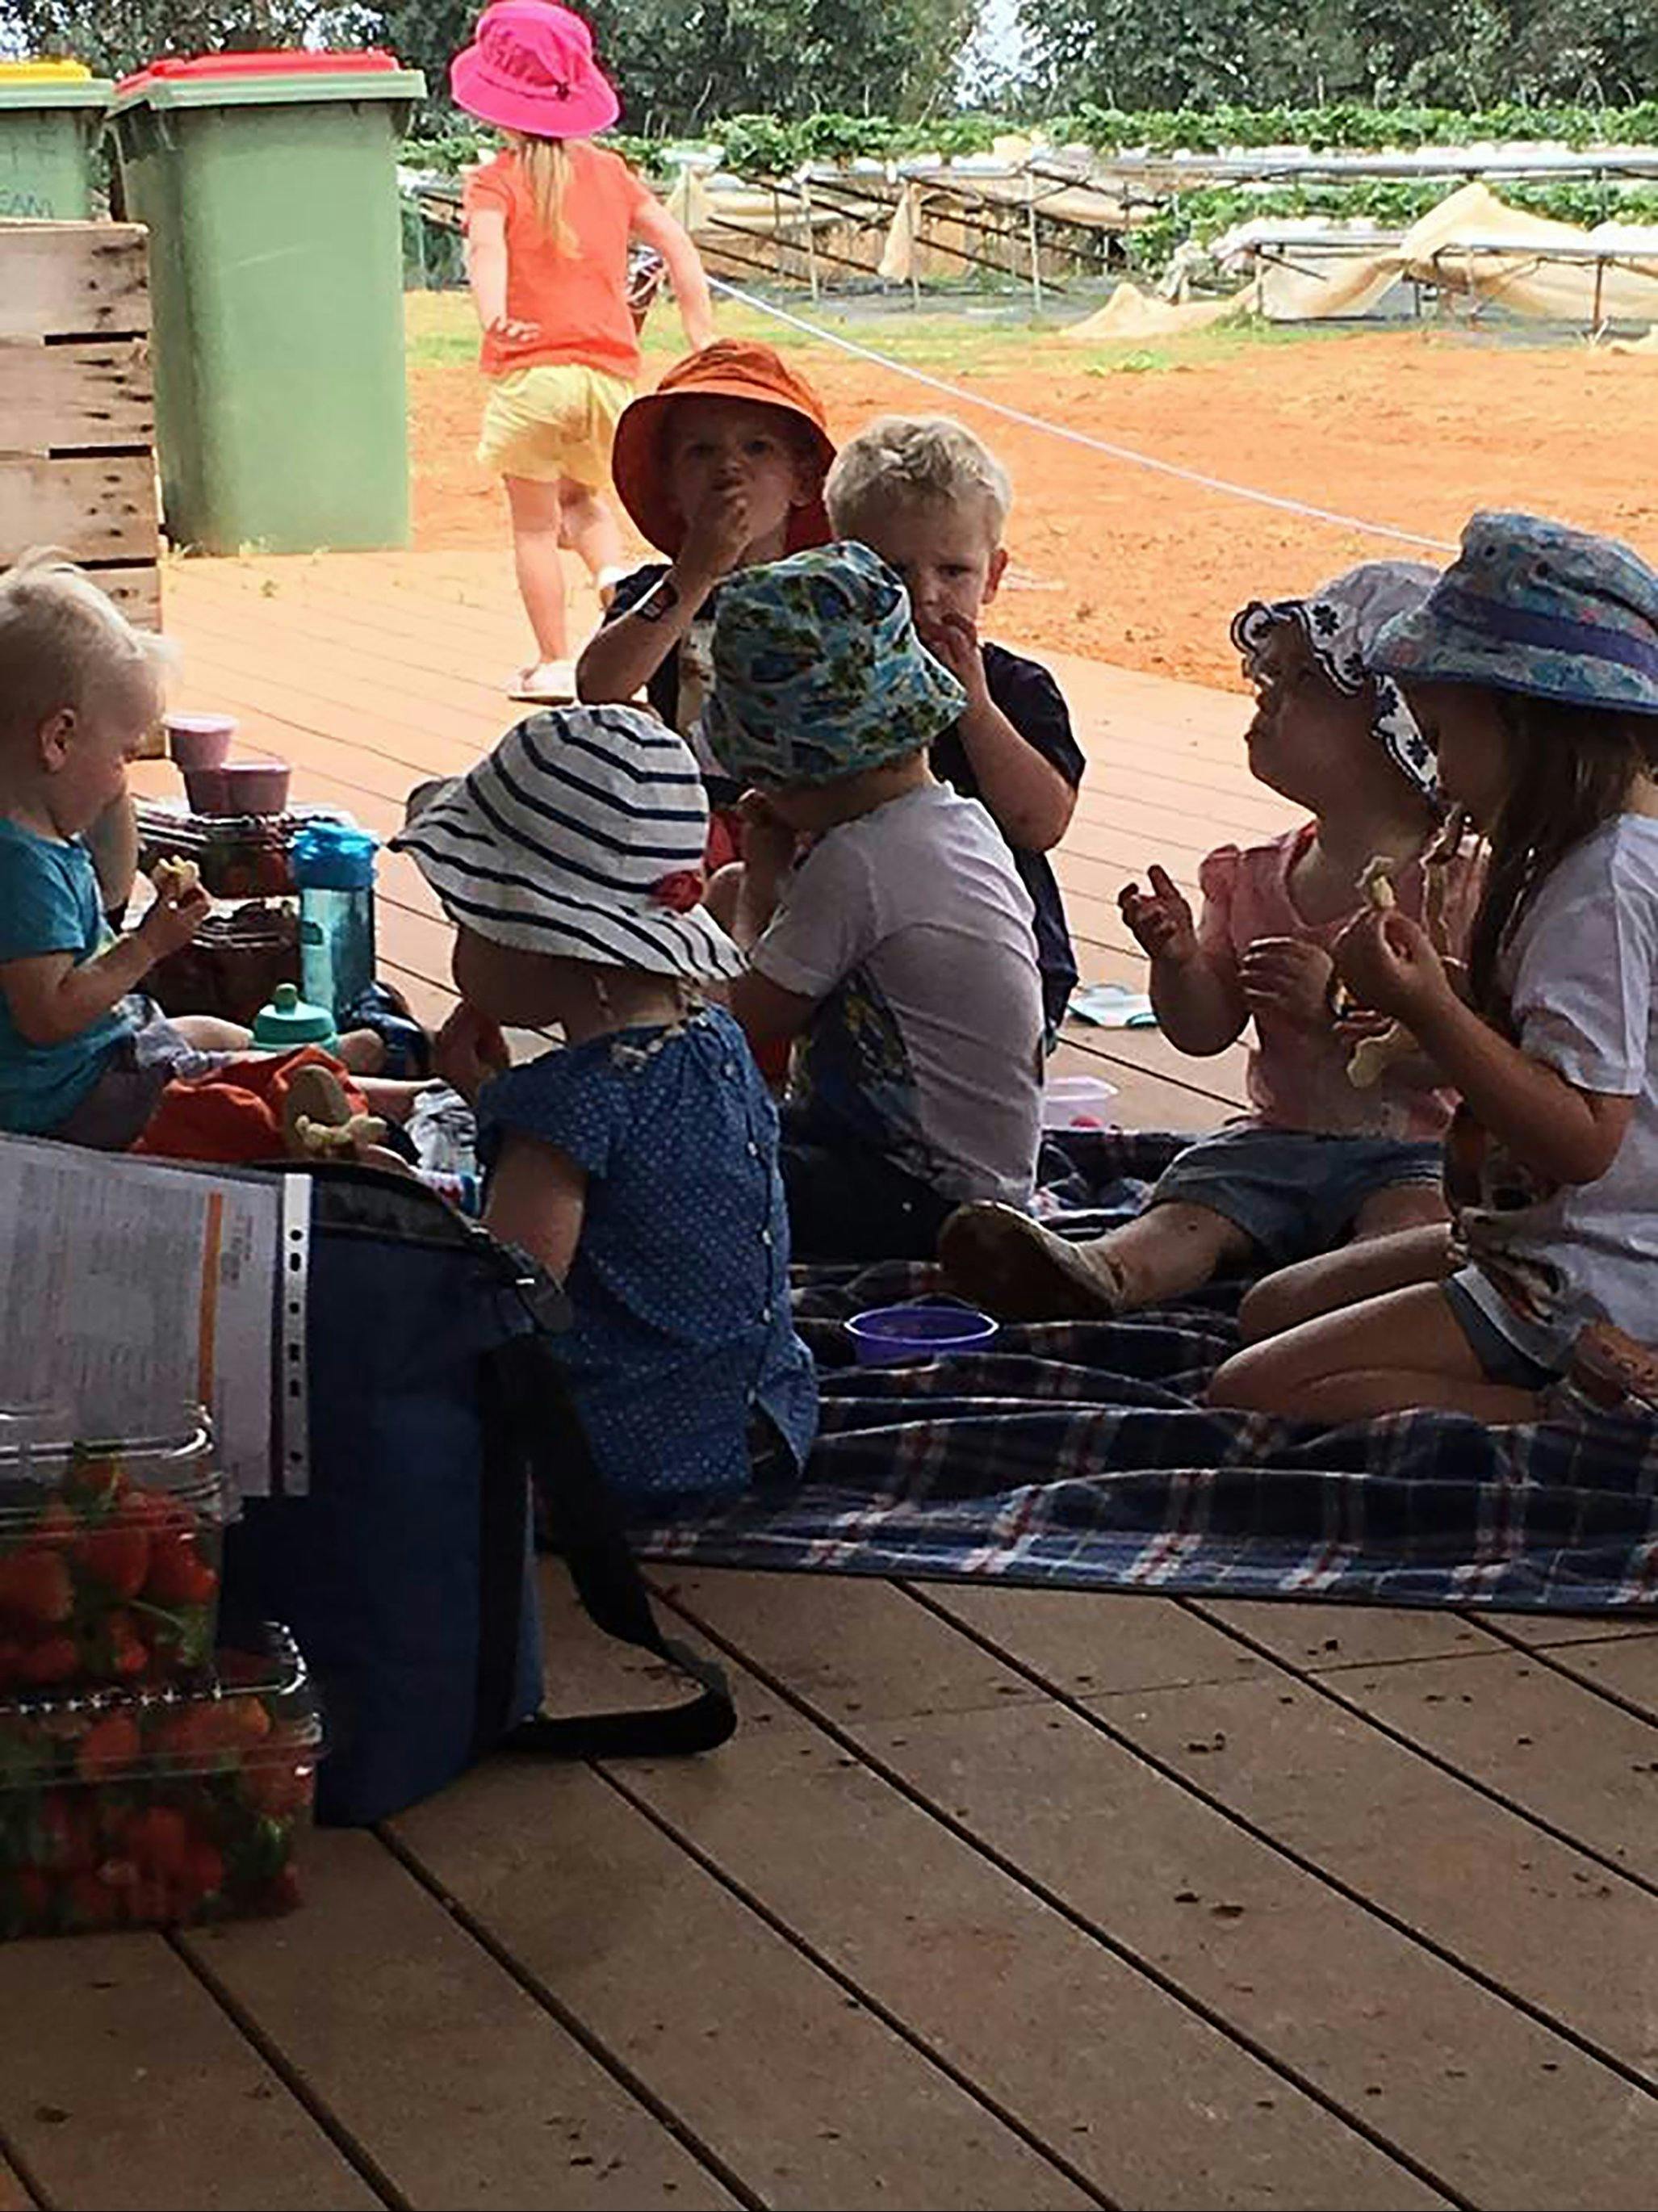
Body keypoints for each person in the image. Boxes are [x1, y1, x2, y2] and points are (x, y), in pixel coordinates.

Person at [938, 559, 1480, 1319]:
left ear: (1398, 730)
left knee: (1412, 1223)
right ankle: (1100, 1273)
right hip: (1276, 1143)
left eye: (1300, 684)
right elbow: (1203, 1031)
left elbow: (1469, 1055)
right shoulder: (1252, 876)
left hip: (1419, 1156)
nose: (1266, 695)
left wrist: (1338, 1003)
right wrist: (1181, 961)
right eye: (1270, 676)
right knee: (1193, 1201)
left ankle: (1345, 1301)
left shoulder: (1456, 889)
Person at [1209, 513, 1658, 1423]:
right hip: (1537, 1235)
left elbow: (1579, 1139)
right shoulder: (1589, 860)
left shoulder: (1600, 886)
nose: (1437, 772)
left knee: (1252, 1389)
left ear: (1524, 721)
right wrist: (1453, 1001)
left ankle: (1587, 1410)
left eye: (1442, 735)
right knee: (1268, 1308)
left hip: (1594, 1273)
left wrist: (1435, 1015)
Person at [391, 704, 818, 1511]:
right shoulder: (714, 1040)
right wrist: (486, 1098)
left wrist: (401, 1229)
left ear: (544, 940)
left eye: (468, 918)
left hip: (629, 1447)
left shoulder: (566, 1102)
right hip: (759, 1414)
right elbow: (639, 1181)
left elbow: (513, 1294)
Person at [0, 552, 418, 1156]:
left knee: (202, 1031)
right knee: (219, 1094)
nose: (123, 776)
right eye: (122, 753)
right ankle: (376, 1100)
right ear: (58, 739)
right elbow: (49, 1016)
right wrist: (147, 946)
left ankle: (322, 1067)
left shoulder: (40, 839)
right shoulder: (21, 869)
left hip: (95, 1056)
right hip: (69, 1099)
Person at [704, 542, 1045, 1263]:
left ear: (805, 768)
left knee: (688, 1165)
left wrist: (756, 888)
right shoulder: (955, 821)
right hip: (976, 1177)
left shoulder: (857, 862)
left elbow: (742, 1018)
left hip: (923, 1197)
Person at [450, 1, 715, 700]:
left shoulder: (495, 179)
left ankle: (555, 659)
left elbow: (484, 249)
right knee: (587, 503)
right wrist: (700, 332)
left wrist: (495, 316)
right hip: (608, 379)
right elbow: (677, 245)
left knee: (536, 527)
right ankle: (611, 589)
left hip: (532, 376)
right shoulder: (613, 173)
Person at [823, 415, 1084, 1039]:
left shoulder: (1019, 688)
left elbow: (1040, 822)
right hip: (858, 955)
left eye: (953, 572)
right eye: (893, 571)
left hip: (1003, 959)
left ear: (992, 576)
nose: (924, 596)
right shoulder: (829, 683)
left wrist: (972, 702)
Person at [575, 340, 835, 865]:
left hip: (811, 823)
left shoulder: (831, 592)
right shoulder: (657, 591)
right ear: (671, 484)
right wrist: (695, 573)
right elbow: (598, 685)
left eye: (757, 447)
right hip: (682, 822)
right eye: (701, 451)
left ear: (804, 480)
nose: (729, 467)